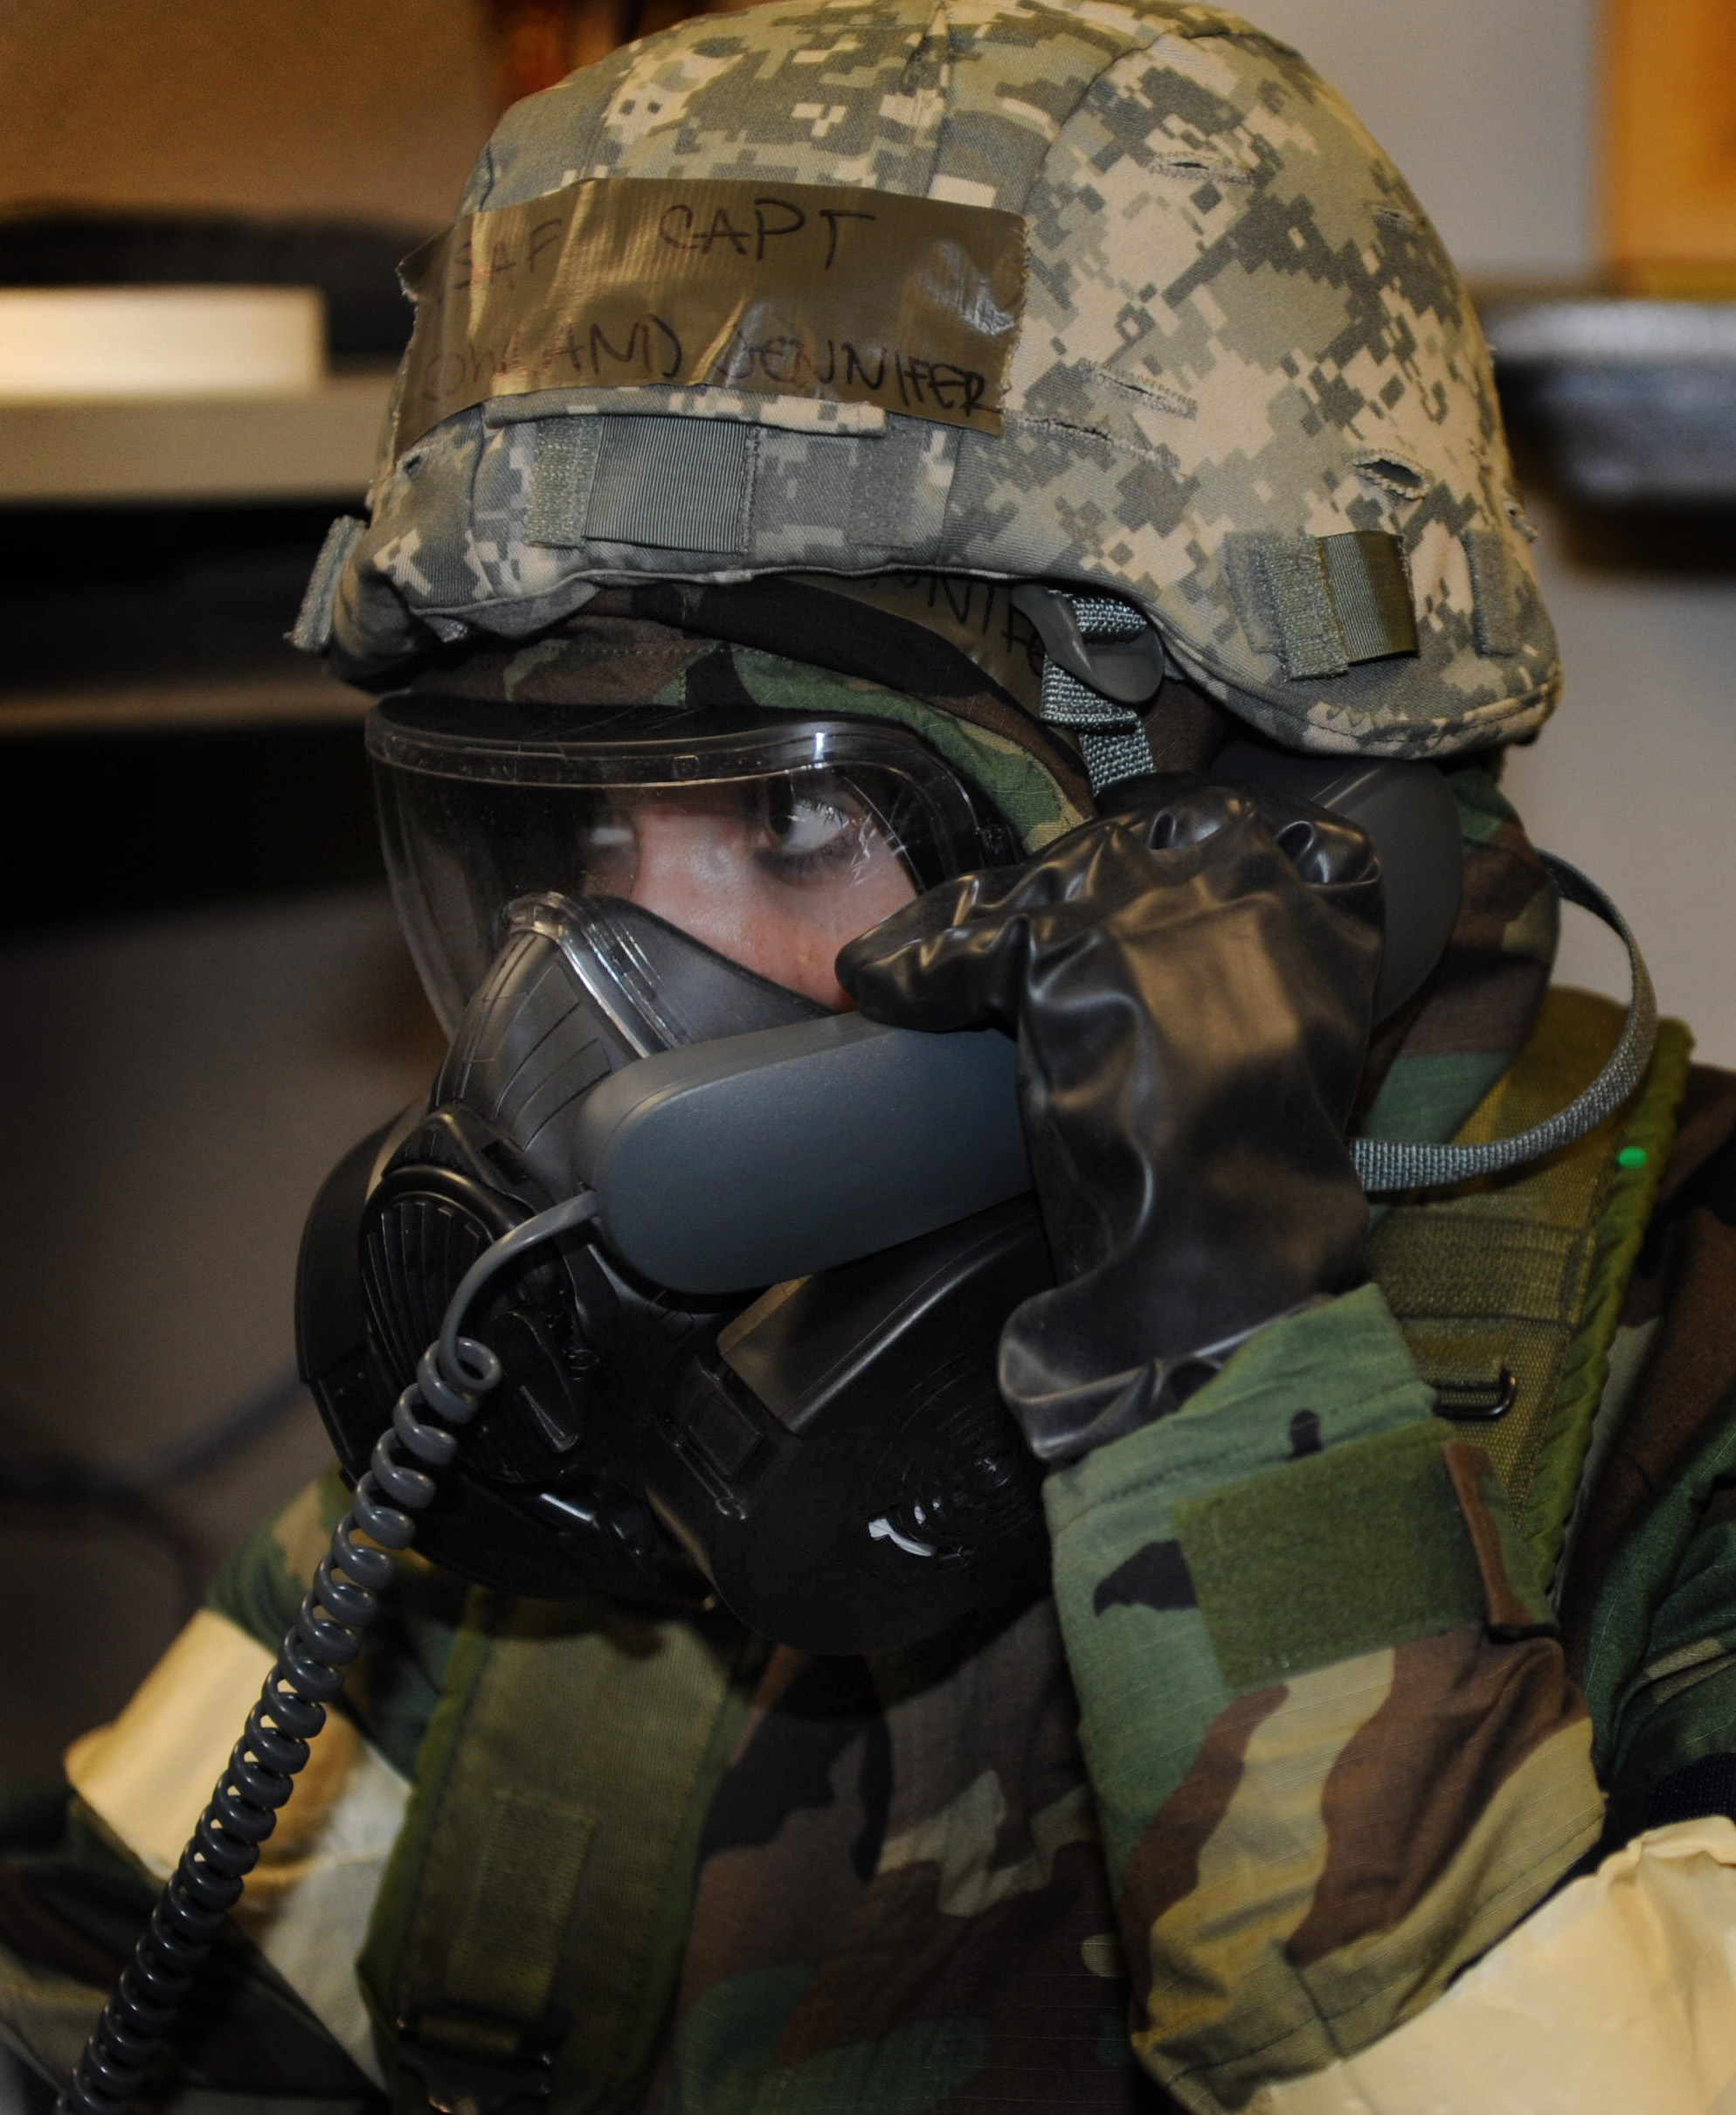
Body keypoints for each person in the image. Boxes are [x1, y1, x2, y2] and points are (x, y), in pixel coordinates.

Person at [8, 3, 1736, 2111]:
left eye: (789, 820)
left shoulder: (1691, 1395)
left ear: (1291, 844)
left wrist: (1221, 1390)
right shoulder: (570, 1394)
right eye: (560, 842)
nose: (610, 996)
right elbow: (101, 1999)